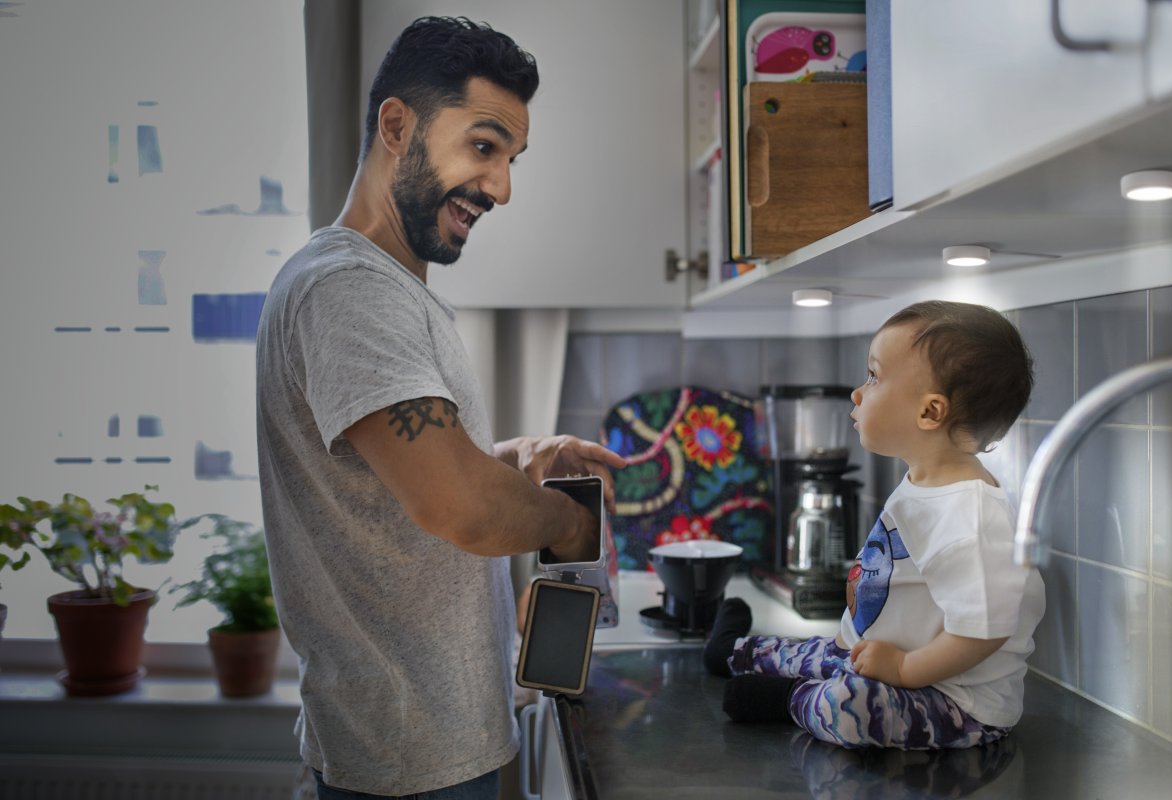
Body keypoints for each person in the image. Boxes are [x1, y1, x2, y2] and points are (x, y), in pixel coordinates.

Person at [255, 17, 625, 799]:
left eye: (511, 159)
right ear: (398, 125)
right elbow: (460, 510)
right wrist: (568, 522)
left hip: (426, 744)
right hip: (409, 761)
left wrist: (514, 459)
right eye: (484, 147)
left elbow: (391, 487)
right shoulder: (349, 291)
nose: (502, 187)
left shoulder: (385, 291)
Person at [703, 300, 1045, 750]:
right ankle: (732, 651)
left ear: (930, 413)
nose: (857, 393)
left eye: (874, 377)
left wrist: (904, 669)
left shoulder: (971, 517)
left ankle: (790, 698)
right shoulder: (922, 482)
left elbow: (981, 633)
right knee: (819, 650)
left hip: (954, 702)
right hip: (885, 660)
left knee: (851, 707)